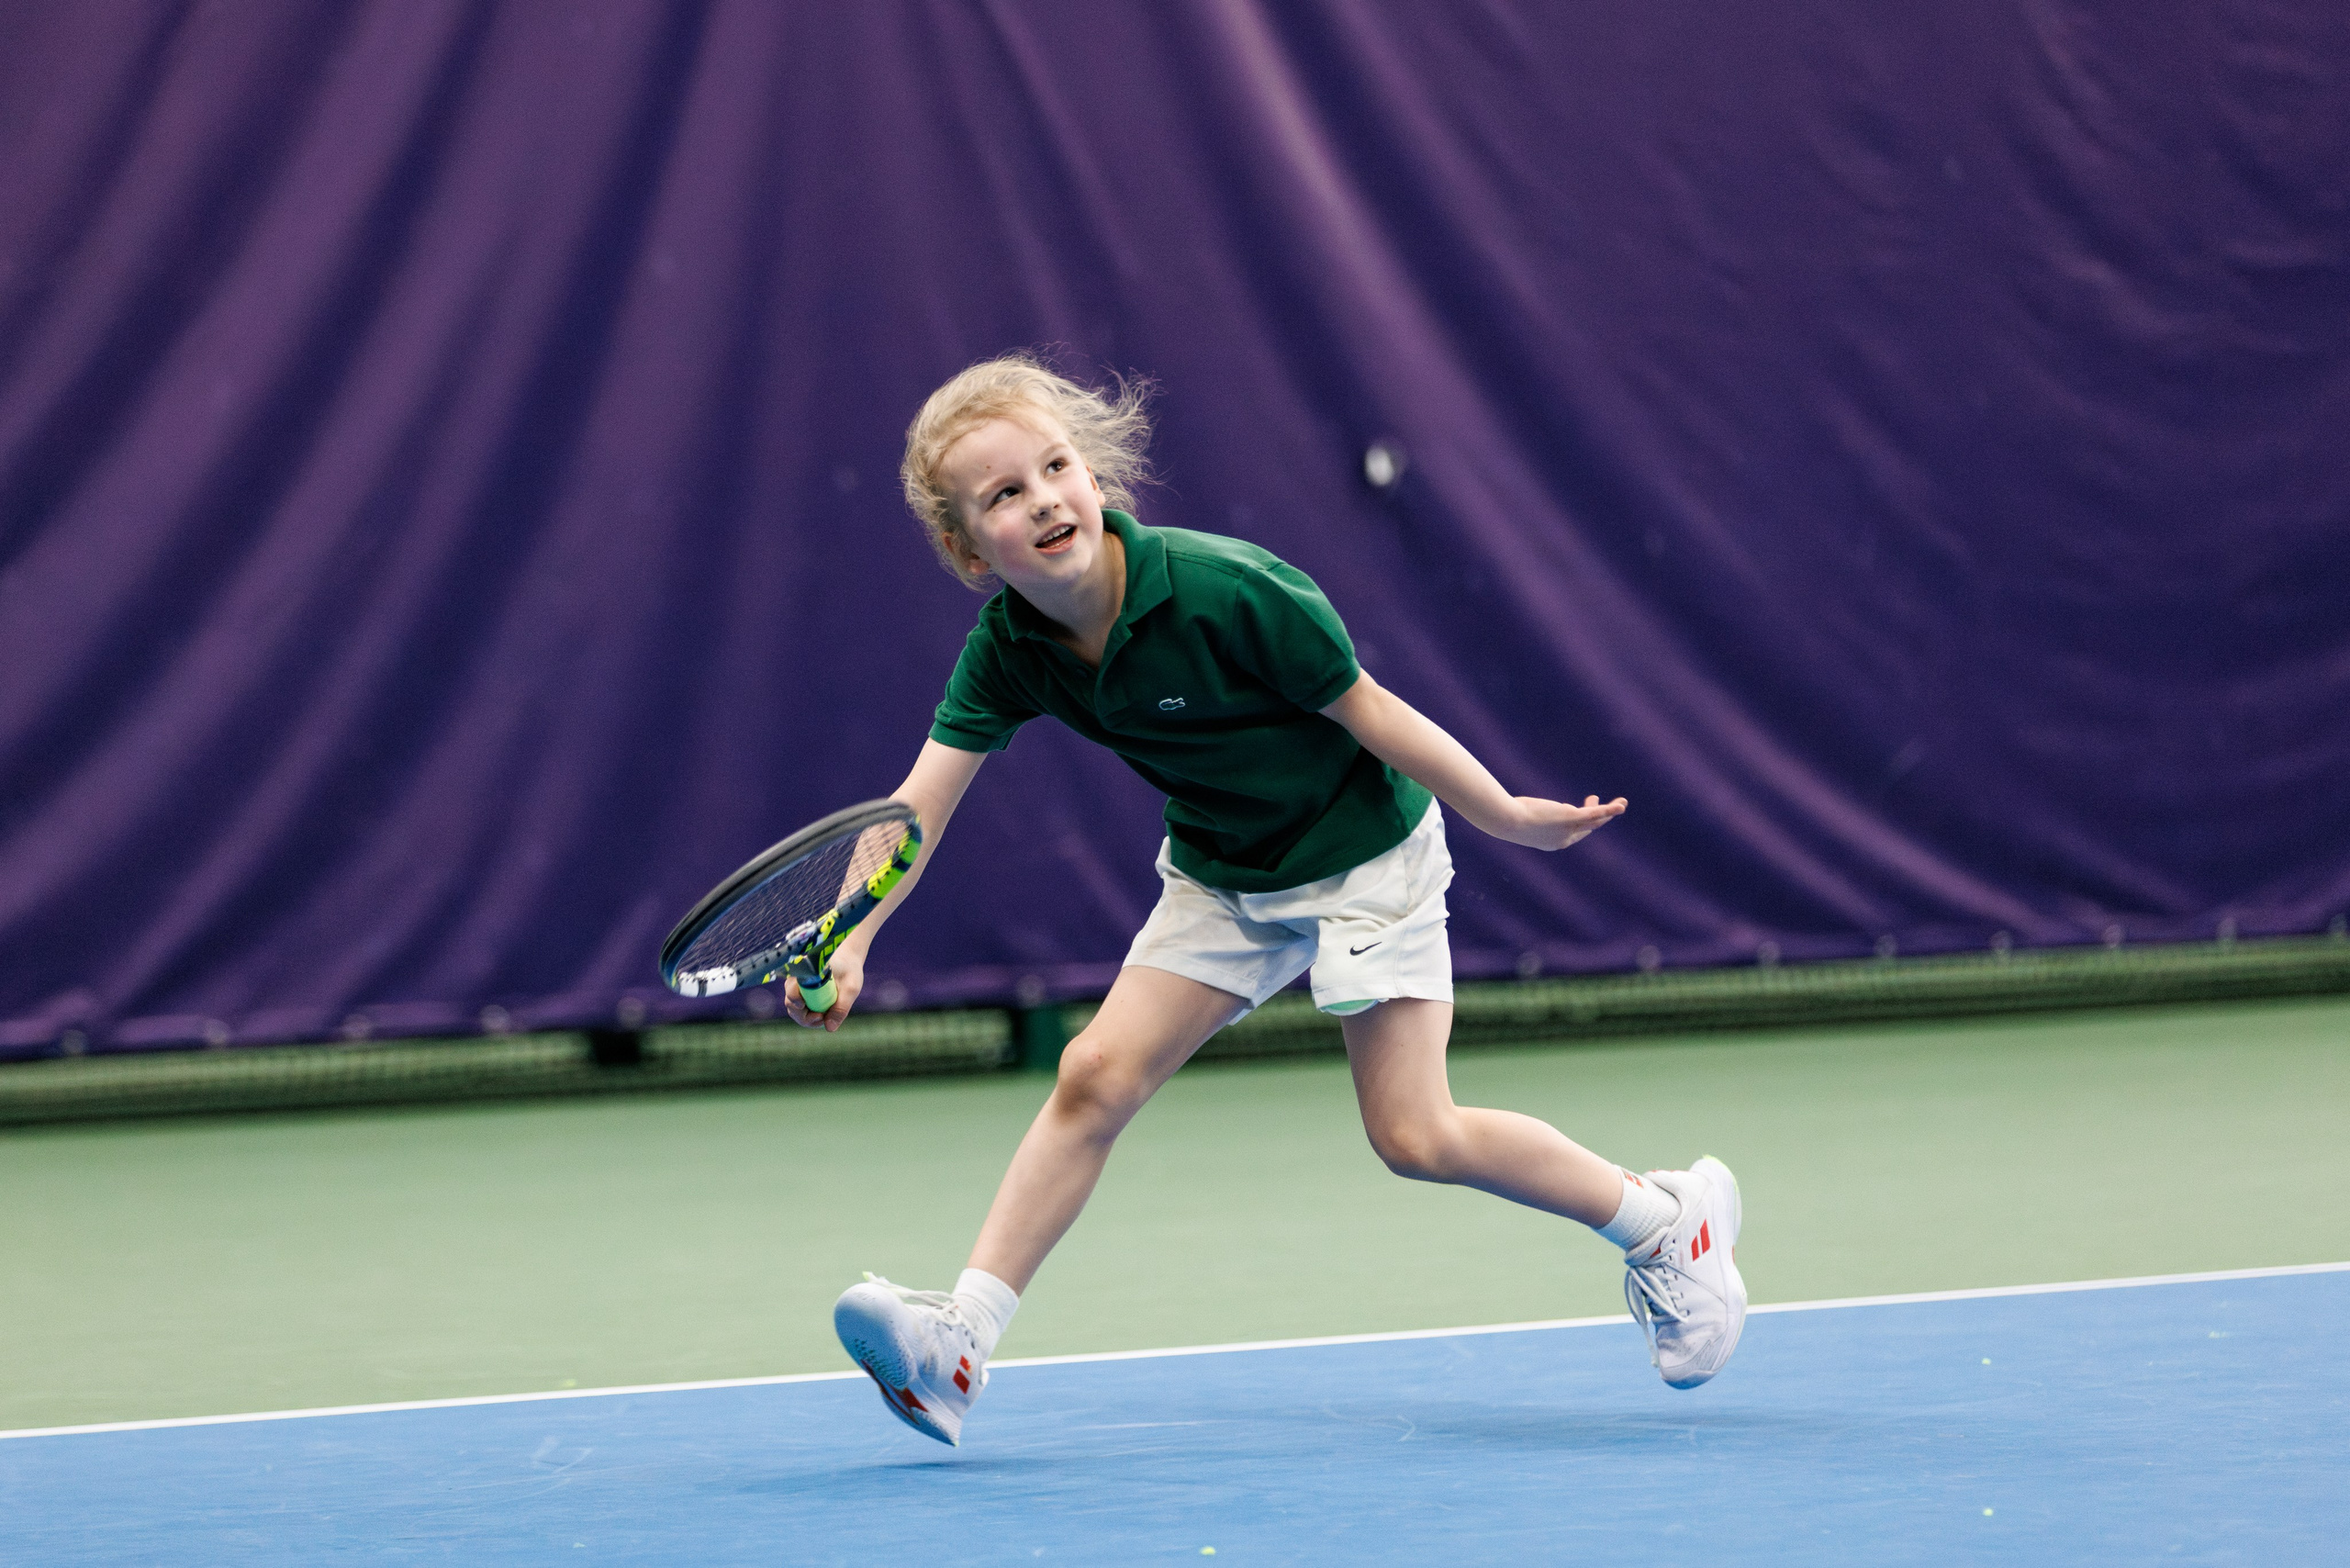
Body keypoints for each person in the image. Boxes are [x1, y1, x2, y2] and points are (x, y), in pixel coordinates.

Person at [793, 353, 1744, 1446]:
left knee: (1413, 1134)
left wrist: (1502, 816)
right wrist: (856, 928)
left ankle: (1666, 1224)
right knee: (1092, 1072)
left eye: (1055, 466)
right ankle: (961, 1342)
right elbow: (916, 810)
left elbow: (1376, 714)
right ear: (968, 549)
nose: (1044, 497)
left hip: (1365, 861)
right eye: (1004, 494)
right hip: (1223, 872)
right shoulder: (1007, 649)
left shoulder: (1231, 589)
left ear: (1094, 476)